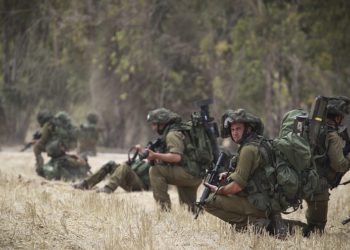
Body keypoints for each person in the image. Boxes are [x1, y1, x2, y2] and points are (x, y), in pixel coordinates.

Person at [203, 109, 286, 236]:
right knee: (287, 228)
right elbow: (256, 174)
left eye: (238, 129)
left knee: (209, 202)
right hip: (268, 202)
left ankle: (256, 225)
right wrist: (229, 175)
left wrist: (218, 190)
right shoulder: (259, 143)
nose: (235, 133)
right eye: (232, 130)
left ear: (247, 129)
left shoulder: (248, 149)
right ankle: (273, 223)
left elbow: (237, 186)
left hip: (258, 203)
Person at [303, 96, 350, 236]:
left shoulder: (312, 130)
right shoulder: (332, 136)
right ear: (337, 118)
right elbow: (340, 165)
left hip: (303, 179)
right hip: (318, 187)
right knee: (316, 231)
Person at [146, 108, 203, 212]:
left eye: (154, 124)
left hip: (189, 173)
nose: (153, 127)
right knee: (189, 210)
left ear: (162, 123)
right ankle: (195, 212)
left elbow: (176, 157)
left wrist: (155, 156)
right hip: (195, 172)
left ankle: (165, 210)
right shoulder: (180, 131)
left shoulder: (172, 134)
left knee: (155, 170)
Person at [33, 110, 90, 181]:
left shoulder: (48, 124)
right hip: (64, 146)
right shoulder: (58, 123)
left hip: (56, 148)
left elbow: (43, 141)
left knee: (36, 147)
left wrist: (36, 142)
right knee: (63, 160)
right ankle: (79, 163)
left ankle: (39, 165)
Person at [72, 156, 151, 193]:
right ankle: (86, 184)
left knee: (124, 167)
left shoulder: (154, 164)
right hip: (130, 179)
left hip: (141, 186)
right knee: (111, 164)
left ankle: (109, 188)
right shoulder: (141, 161)